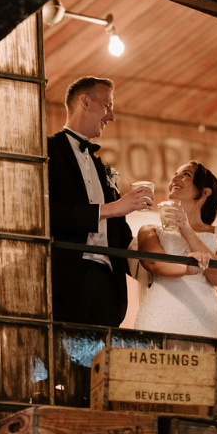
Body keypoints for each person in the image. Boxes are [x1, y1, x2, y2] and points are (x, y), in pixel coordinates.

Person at [48, 76, 153, 327]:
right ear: (84, 102)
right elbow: (48, 214)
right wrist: (112, 208)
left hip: (108, 283)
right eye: (107, 106)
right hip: (69, 276)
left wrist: (160, 250)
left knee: (103, 362)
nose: (111, 116)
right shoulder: (49, 150)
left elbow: (119, 232)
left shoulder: (100, 166)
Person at [133, 161, 217, 337]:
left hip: (203, 317)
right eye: (176, 174)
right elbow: (154, 263)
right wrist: (188, 267)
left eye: (186, 175)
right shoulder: (150, 230)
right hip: (159, 314)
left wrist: (187, 230)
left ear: (205, 192)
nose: (175, 178)